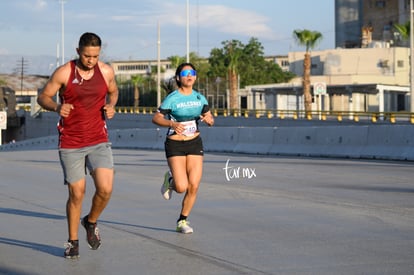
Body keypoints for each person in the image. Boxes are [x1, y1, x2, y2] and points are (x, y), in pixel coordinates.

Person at [37, 32, 118, 259]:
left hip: (98, 139)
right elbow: (43, 96)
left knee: (106, 188)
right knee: (77, 193)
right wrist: (56, 107)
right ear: (78, 51)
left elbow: (113, 92)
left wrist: (111, 105)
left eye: (95, 56)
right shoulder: (64, 72)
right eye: (86, 55)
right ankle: (73, 242)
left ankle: (90, 221)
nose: (91, 60)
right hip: (71, 141)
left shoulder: (106, 71)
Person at [152, 62, 214, 234]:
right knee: (181, 187)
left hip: (194, 143)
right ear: (179, 78)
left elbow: (209, 116)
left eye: (192, 73)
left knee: (194, 185)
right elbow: (156, 118)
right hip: (175, 144)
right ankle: (170, 180)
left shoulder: (200, 98)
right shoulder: (172, 98)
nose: (189, 76)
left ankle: (182, 221)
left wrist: (209, 120)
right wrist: (171, 123)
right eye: (185, 73)